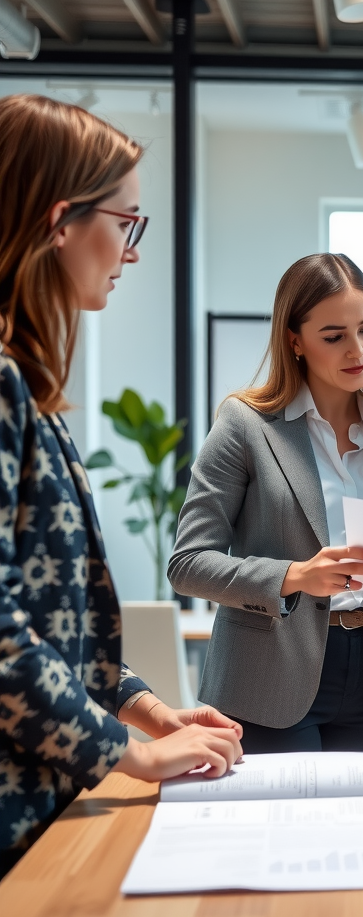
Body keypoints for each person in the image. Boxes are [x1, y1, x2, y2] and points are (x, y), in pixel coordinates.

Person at [0, 94, 243, 875]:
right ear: (60, 221)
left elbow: (54, 622)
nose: (132, 250)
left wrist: (148, 710)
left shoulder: (32, 392)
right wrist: (130, 753)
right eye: (126, 223)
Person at [169, 254, 363, 753]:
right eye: (334, 336)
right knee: (280, 828)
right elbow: (187, 564)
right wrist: (294, 577)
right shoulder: (245, 426)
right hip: (268, 676)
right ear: (295, 340)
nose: (358, 350)